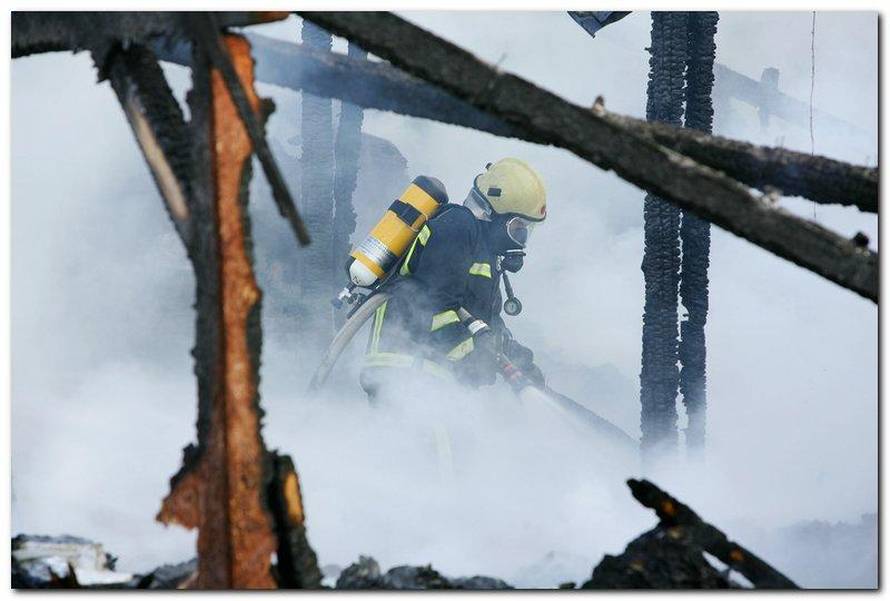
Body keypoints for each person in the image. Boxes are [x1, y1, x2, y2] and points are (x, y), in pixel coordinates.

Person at [360, 158, 547, 402]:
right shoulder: (458, 227)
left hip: (432, 377)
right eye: (518, 228)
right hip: (405, 367)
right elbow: (429, 307)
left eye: (526, 232)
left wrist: (518, 359)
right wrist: (476, 354)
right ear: (496, 214)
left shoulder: (485, 255)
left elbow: (482, 323)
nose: (520, 241)